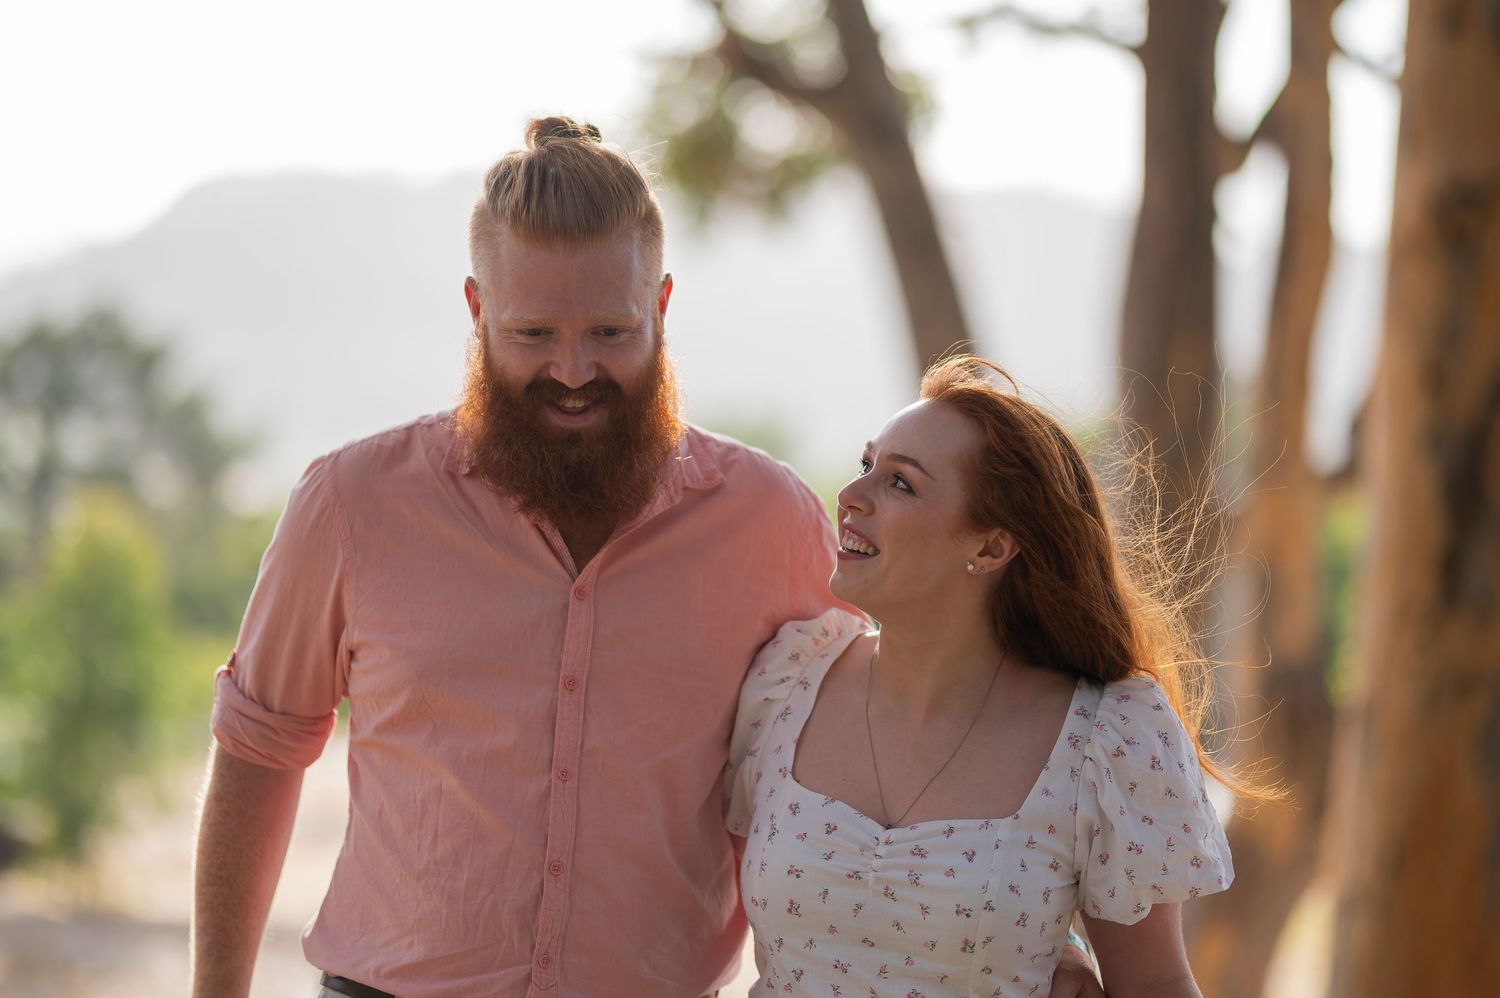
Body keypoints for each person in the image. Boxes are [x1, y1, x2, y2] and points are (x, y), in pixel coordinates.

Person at [191, 116, 1104, 998]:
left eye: (611, 333)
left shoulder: (769, 521)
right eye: (533, 335)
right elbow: (258, 752)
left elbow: (893, 739)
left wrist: (1039, 939)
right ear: (476, 311)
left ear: (662, 307)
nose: (575, 371)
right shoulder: (351, 505)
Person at [726, 357, 1237, 996]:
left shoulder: (1106, 740)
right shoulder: (788, 683)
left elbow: (1156, 983)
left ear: (991, 547)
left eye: (900, 484)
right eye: (866, 466)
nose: (852, 497)